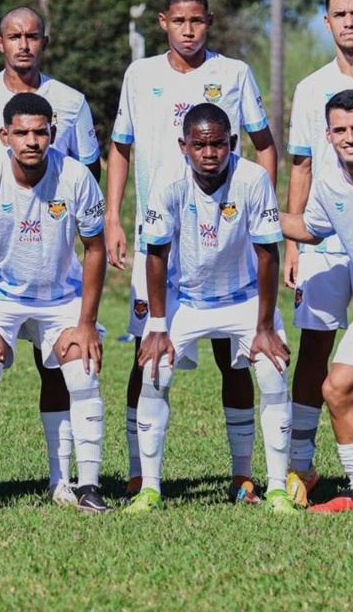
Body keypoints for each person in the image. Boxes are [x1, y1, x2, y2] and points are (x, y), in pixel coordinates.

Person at [106, 0, 278, 504]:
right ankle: (141, 474)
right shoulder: (140, 75)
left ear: (209, 22)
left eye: (197, 22)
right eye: (179, 22)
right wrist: (114, 217)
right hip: (160, 238)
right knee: (149, 353)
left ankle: (244, 474)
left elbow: (262, 146)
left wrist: (257, 211)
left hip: (226, 234)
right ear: (163, 22)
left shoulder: (233, 74)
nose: (188, 31)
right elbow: (120, 147)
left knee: (238, 359)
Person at [0, 6, 101, 506]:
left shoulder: (73, 113)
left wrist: (86, 321)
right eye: (14, 36)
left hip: (59, 283)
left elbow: (92, 225)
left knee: (73, 368)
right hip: (1, 282)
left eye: (32, 35)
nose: (23, 44)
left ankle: (75, 484)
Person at [126, 103, 296, 514]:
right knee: (154, 370)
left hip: (244, 296)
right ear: (183, 145)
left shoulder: (253, 178)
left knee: (272, 372)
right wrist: (159, 326)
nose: (209, 153)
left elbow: (268, 254)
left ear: (232, 143)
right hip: (186, 298)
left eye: (218, 144)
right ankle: (150, 488)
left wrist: (264, 326)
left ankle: (270, 487)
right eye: (199, 145)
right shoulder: (167, 181)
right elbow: (156, 255)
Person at [283, 0, 353, 507]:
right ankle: (300, 465)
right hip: (333, 225)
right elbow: (302, 165)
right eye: (341, 14)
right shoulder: (312, 88)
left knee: (347, 374)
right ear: (327, 21)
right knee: (316, 347)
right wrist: (287, 242)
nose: (351, 22)